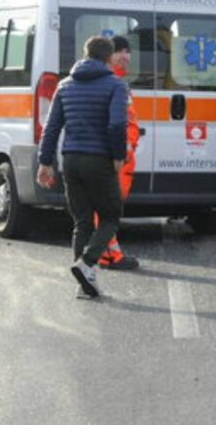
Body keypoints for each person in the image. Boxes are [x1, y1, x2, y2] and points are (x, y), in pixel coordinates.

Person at [36, 36, 128, 298]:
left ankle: (85, 285)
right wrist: (118, 155)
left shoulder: (65, 85)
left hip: (71, 160)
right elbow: (117, 124)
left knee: (82, 222)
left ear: (85, 53)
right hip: (99, 159)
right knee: (110, 216)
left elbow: (51, 127)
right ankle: (86, 263)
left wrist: (45, 161)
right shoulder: (116, 85)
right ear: (109, 57)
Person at [92, 35, 141, 270]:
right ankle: (109, 256)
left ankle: (106, 253)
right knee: (108, 208)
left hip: (120, 156)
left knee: (108, 207)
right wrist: (123, 149)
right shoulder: (111, 83)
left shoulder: (118, 82)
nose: (125, 56)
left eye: (127, 51)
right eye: (119, 51)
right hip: (115, 157)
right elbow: (116, 123)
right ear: (107, 56)